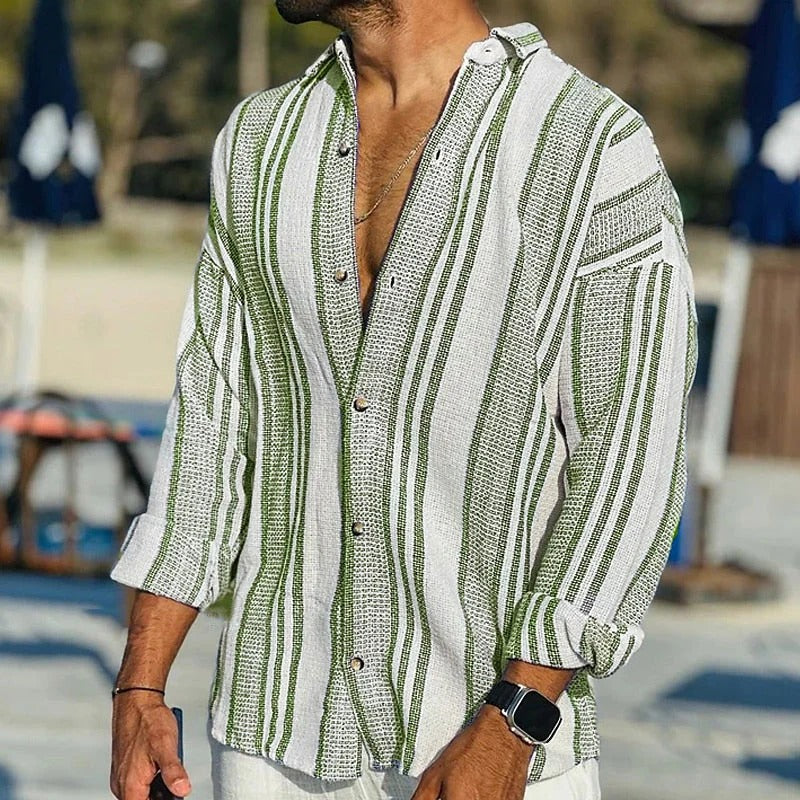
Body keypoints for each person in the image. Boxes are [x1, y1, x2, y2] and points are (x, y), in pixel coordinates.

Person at [109, 1, 699, 798]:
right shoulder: (260, 140)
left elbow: (630, 460)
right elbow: (211, 427)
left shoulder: (586, 143)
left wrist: (515, 720)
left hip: (491, 739)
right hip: (274, 732)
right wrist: (140, 684)